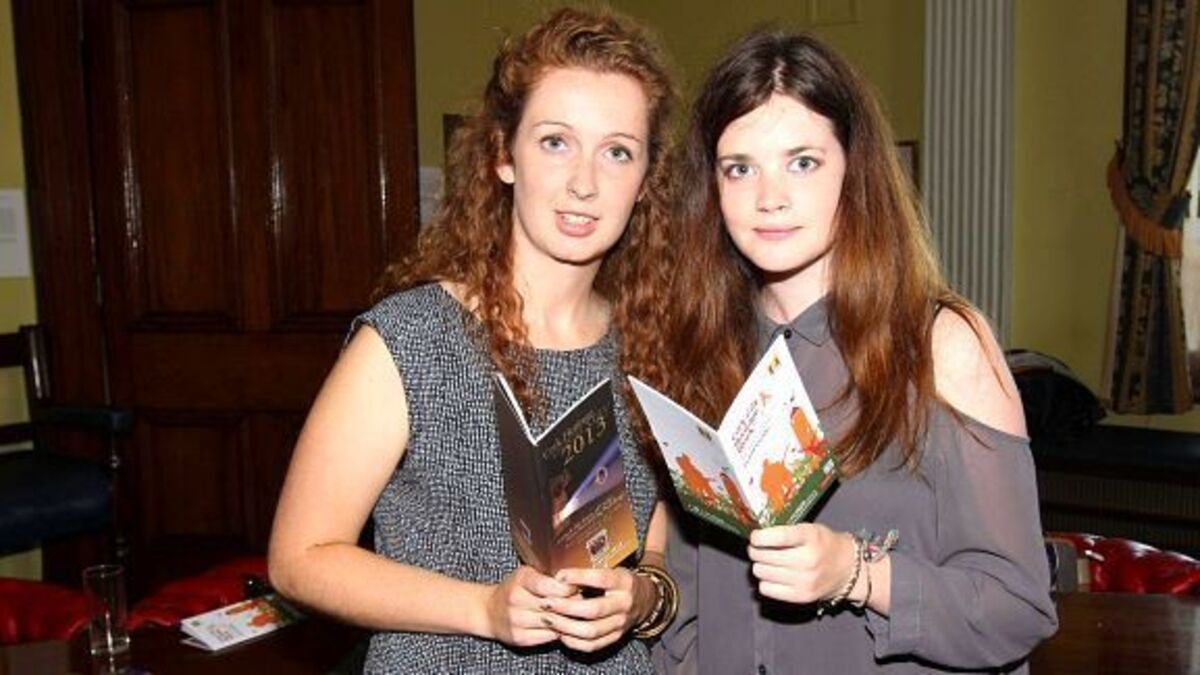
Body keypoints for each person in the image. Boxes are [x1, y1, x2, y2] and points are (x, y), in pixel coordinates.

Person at [267, 8, 680, 672]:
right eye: (555, 142)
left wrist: (641, 599)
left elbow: (657, 550)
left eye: (617, 151)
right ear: (502, 155)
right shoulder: (411, 339)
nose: (585, 182)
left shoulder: (655, 345)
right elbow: (299, 558)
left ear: (645, 180)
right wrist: (483, 608)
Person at [655, 30, 1058, 674]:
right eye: (740, 168)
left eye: (802, 162)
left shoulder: (941, 345)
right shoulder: (702, 351)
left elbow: (1018, 609)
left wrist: (858, 572)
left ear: (855, 170)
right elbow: (691, 596)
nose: (769, 197)